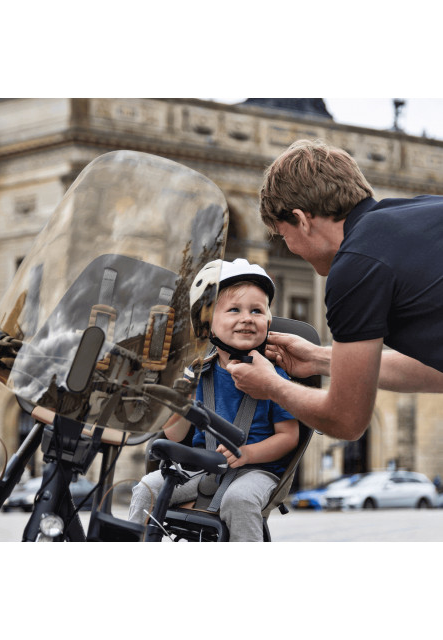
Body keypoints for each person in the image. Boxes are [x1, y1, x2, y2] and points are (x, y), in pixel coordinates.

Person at [226, 138, 443, 442]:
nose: (289, 248)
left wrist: (272, 385)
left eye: (283, 236)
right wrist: (321, 359)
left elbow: (346, 420)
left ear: (301, 220)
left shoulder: (354, 266)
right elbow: (437, 371)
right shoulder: (422, 210)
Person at [128, 258, 300, 541]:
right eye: (234, 309)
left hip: (257, 470)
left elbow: (288, 437)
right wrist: (177, 398)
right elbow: (175, 434)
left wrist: (248, 454)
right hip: (200, 467)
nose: (246, 317)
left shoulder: (274, 376)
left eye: (256, 310)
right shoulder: (197, 373)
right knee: (148, 487)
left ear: (268, 319)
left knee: (239, 501)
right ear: (207, 324)